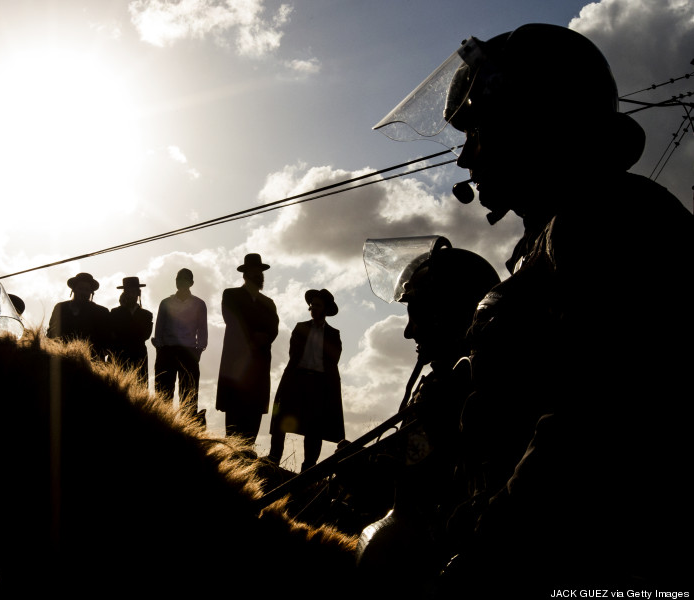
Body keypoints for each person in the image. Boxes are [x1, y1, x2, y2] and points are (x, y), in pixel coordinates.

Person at [373, 23, 692, 593]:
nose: (466, 156)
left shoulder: (605, 219)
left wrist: (482, 558)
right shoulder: (548, 240)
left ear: (533, 121)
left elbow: (594, 421)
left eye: (476, 129)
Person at [354, 238, 500, 595]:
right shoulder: (455, 382)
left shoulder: (456, 391)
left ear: (443, 314)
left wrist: (372, 475)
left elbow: (420, 484)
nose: (408, 330)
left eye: (414, 315)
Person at [267, 289, 343, 472]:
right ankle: (272, 461)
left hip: (319, 384)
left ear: (325, 309)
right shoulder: (300, 327)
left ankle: (308, 470)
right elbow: (293, 354)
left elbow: (333, 360)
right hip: (296, 379)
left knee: (314, 429)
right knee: (281, 421)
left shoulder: (334, 334)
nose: (313, 308)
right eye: (312, 305)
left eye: (318, 305)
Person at [216, 253, 278, 447]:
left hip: (258, 371)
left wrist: (264, 338)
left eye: (260, 271)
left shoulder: (269, 303)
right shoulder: (231, 294)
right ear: (245, 274)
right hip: (236, 369)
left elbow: (273, 328)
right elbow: (233, 321)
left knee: (251, 430)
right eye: (254, 271)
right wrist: (253, 339)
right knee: (233, 432)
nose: (259, 275)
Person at [152, 268, 208, 418]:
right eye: (178, 279)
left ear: (191, 283)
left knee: (189, 396)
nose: (181, 282)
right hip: (167, 351)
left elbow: (203, 330)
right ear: (175, 281)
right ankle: (162, 426)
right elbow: (159, 328)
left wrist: (198, 351)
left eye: (185, 279)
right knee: (163, 395)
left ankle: (187, 431)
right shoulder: (165, 303)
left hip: (189, 351)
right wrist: (160, 349)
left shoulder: (199, 304)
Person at [47, 273, 111, 360]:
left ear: (91, 292)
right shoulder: (61, 308)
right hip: (61, 359)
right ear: (73, 289)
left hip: (91, 365)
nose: (83, 292)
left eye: (87, 289)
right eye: (80, 288)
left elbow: (105, 342)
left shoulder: (101, 312)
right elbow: (51, 334)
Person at [108, 277, 153, 388]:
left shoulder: (147, 315)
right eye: (128, 292)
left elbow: (145, 335)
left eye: (133, 292)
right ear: (124, 294)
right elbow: (111, 333)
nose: (131, 295)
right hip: (119, 355)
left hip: (138, 356)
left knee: (140, 387)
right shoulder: (115, 312)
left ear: (138, 293)